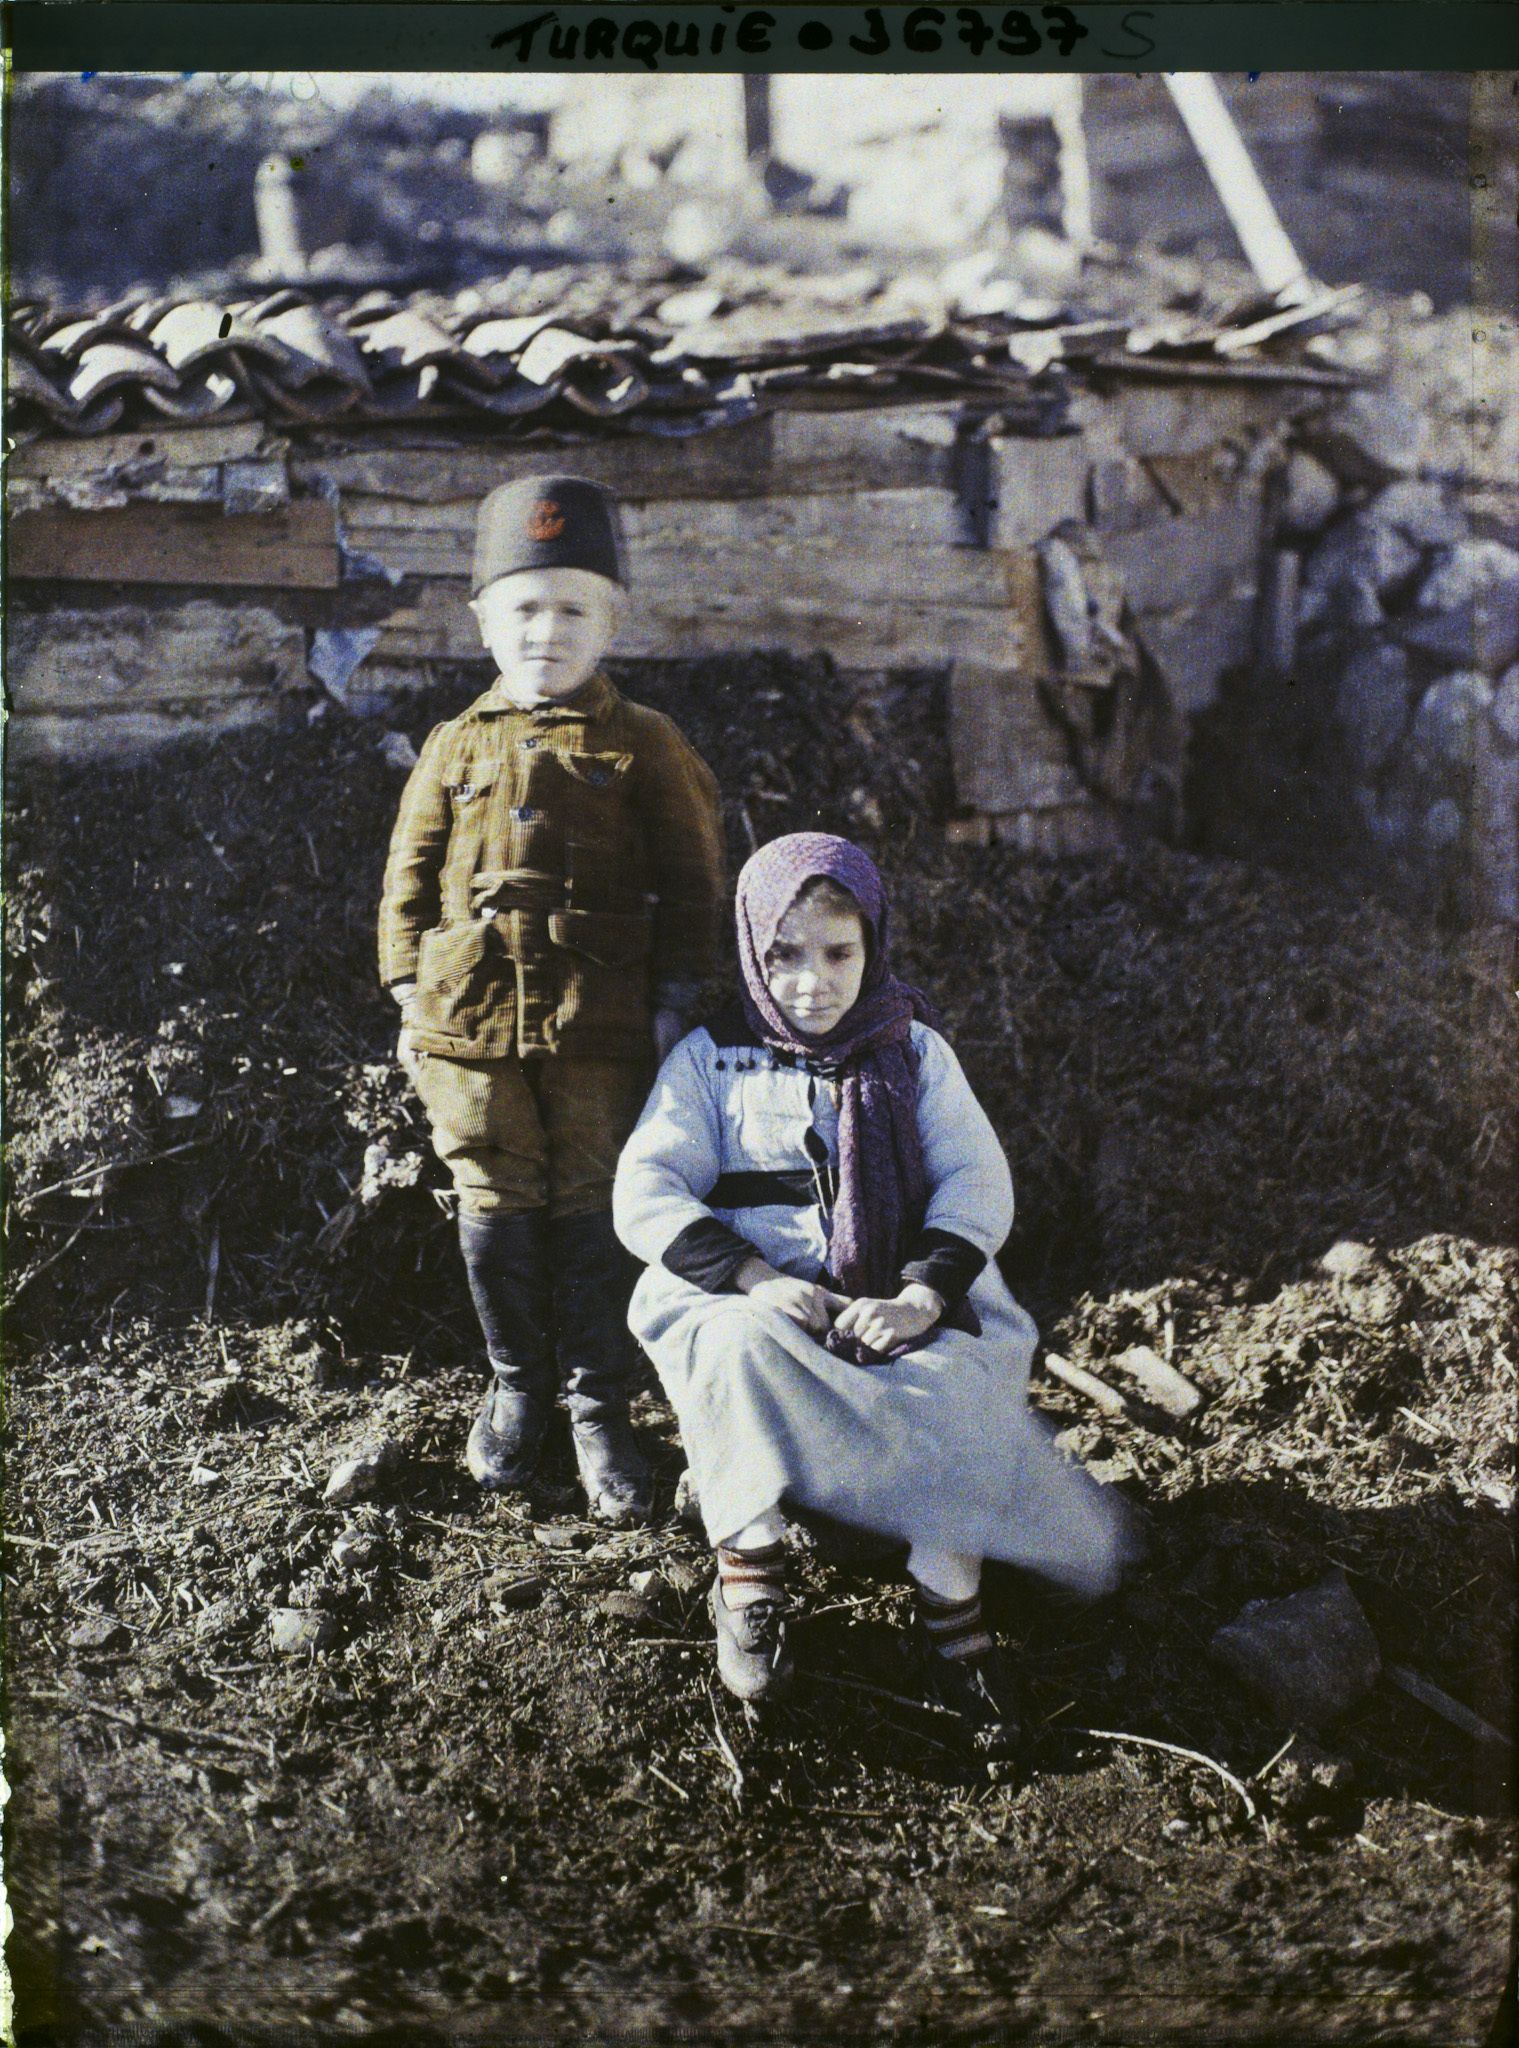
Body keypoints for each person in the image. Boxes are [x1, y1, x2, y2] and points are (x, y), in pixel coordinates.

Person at [612, 832, 1130, 1749]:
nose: (813, 982)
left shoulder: (913, 1051)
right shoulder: (708, 1060)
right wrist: (754, 1277)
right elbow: (644, 1191)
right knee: (727, 1349)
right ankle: (751, 1571)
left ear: (873, 945)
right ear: (751, 951)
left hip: (887, 1300)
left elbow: (977, 1180)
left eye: (837, 954)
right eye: (786, 955)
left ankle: (949, 1608)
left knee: (960, 1381)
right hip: (765, 1306)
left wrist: (920, 1299)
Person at [378, 475, 725, 1526]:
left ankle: (596, 1406)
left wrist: (673, 996)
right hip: (466, 1022)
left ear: (613, 620)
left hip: (599, 1021)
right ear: (483, 620)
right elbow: (409, 871)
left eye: (574, 607)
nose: (547, 630)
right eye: (524, 607)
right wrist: (406, 987)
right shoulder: (452, 743)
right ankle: (517, 1387)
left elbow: (698, 879)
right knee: (491, 1188)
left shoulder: (647, 742)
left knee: (591, 1194)